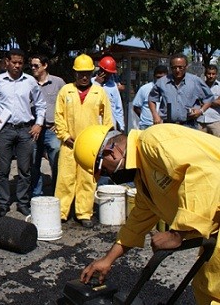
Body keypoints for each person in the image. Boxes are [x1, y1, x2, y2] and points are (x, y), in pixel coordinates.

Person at [74, 124, 220, 305]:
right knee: (207, 289)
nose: (110, 176)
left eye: (104, 171)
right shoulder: (144, 179)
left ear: (110, 152)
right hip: (214, 233)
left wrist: (177, 234)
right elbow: (136, 223)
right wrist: (108, 259)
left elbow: (205, 174)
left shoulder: (153, 141)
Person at [54, 54, 113, 228]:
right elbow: (59, 116)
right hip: (69, 144)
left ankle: (84, 213)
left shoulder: (99, 92)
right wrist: (64, 136)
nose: (84, 76)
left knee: (87, 180)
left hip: (90, 147)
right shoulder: (66, 91)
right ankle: (62, 212)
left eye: (87, 73)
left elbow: (108, 120)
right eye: (81, 73)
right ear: (75, 73)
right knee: (65, 179)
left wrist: (103, 142)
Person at [0, 48, 46, 217]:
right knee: (3, 169)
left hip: (25, 130)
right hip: (5, 130)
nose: (17, 66)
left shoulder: (30, 81)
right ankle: (3, 203)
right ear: (6, 62)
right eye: (13, 62)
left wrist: (38, 124)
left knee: (25, 169)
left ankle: (23, 202)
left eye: (20, 63)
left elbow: (40, 104)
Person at [29, 54, 65, 197]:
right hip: (34, 130)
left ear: (45, 65)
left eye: (36, 66)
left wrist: (60, 123)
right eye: (31, 65)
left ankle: (58, 193)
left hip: (52, 129)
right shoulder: (28, 82)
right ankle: (36, 195)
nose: (33, 68)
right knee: (33, 164)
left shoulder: (58, 83)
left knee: (56, 162)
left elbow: (66, 104)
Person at [148, 53, 213, 128]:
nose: (177, 70)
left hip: (189, 125)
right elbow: (151, 99)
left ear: (186, 67)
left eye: (180, 67)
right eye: (174, 68)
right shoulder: (162, 82)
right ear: (170, 67)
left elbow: (209, 98)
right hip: (168, 125)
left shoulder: (195, 81)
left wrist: (201, 111)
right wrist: (155, 115)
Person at [92, 56, 125, 132]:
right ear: (100, 71)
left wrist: (121, 126)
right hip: (95, 124)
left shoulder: (113, 86)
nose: (108, 76)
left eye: (110, 74)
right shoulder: (91, 83)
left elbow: (118, 107)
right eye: (106, 73)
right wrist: (97, 83)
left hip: (110, 125)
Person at [132, 65, 168, 130]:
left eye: (163, 78)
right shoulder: (144, 89)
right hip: (146, 126)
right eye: (158, 77)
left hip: (163, 126)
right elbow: (136, 107)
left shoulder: (170, 90)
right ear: (154, 76)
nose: (160, 80)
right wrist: (144, 119)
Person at [197, 64, 220, 136]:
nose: (211, 76)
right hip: (200, 121)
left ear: (216, 75)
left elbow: (219, 103)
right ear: (205, 74)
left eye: (213, 74)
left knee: (217, 144)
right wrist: (214, 102)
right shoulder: (199, 86)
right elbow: (195, 101)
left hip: (215, 121)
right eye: (209, 73)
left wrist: (204, 103)